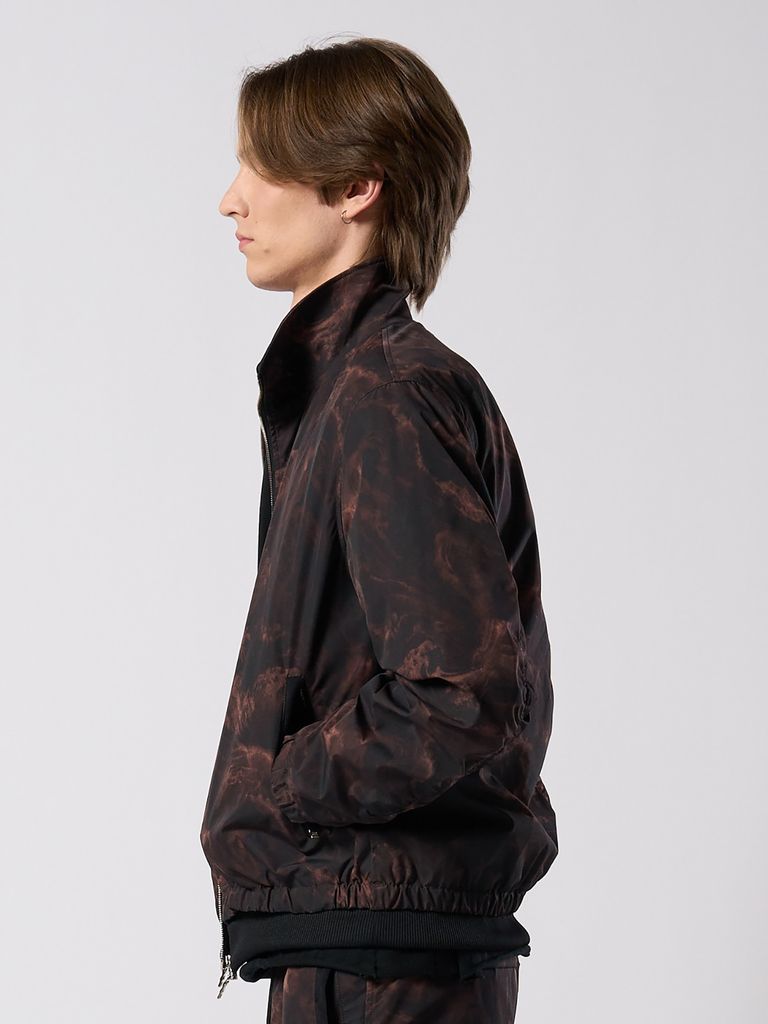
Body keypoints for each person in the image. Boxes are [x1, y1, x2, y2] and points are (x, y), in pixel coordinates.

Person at [200, 34, 558, 1023]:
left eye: (262, 166)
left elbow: (459, 689)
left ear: (357, 186)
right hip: (364, 942)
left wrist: (280, 783)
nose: (231, 200)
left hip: (382, 964)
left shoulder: (385, 393)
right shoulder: (345, 390)